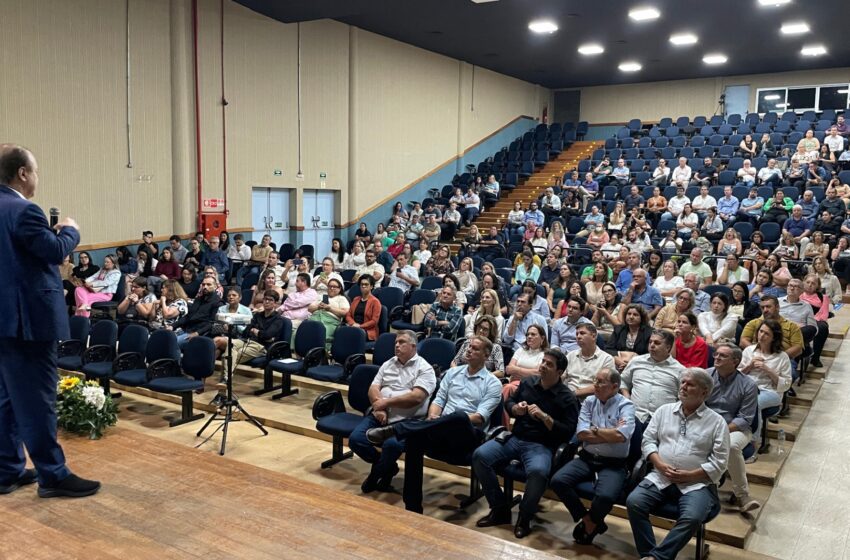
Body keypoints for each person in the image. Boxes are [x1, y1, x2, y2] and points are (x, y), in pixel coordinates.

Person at [0, 144, 101, 498]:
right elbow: (54, 251)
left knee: (6, 398)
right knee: (36, 400)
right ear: (22, 173)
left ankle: (6, 469)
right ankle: (53, 474)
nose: (37, 178)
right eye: (36, 171)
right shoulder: (23, 209)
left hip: (3, 322)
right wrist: (69, 231)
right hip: (27, 323)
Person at [365, 336, 502, 513]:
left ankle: (398, 429)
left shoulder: (493, 383)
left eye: (475, 348)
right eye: (468, 347)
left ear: (486, 355)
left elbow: (479, 417)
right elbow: (438, 401)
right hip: (440, 429)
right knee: (415, 440)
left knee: (459, 417)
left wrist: (443, 420)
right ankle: (413, 506)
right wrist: (432, 417)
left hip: (469, 436)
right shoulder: (452, 373)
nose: (468, 350)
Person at [474, 348, 579, 538]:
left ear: (560, 372)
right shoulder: (528, 383)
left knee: (538, 472)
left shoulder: (567, 397)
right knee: (480, 456)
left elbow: (568, 433)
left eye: (549, 364)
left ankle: (524, 517)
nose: (543, 366)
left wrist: (546, 417)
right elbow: (509, 402)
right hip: (515, 438)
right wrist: (515, 408)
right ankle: (499, 509)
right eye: (543, 362)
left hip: (542, 446)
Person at [626, 368, 730, 560]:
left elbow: (720, 462)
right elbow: (648, 441)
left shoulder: (716, 422)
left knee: (692, 517)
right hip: (660, 476)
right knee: (634, 502)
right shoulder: (664, 411)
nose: (683, 386)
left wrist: (689, 475)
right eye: (683, 382)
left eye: (690, 384)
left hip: (696, 483)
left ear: (704, 392)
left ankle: (657, 557)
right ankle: (651, 555)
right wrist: (659, 464)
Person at [551, 368, 635, 544]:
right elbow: (581, 434)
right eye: (594, 380)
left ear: (614, 387)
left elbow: (621, 436)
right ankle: (589, 521)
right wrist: (609, 434)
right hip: (586, 458)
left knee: (605, 496)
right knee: (558, 481)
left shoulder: (626, 406)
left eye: (600, 382)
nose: (595, 385)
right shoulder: (589, 401)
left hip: (614, 464)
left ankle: (592, 521)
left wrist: (595, 430)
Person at [348, 330, 436, 494]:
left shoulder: (425, 369)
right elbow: (373, 388)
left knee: (391, 446)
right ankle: (388, 468)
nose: (396, 345)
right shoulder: (388, 363)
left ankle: (375, 476)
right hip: (380, 415)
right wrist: (378, 405)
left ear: (413, 346)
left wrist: (384, 403)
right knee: (356, 440)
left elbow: (416, 397)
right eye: (396, 342)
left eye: (401, 342)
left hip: (408, 421)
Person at [705, 343, 760, 513]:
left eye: (722, 356)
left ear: (735, 361)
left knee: (730, 446)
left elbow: (745, 419)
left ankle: (742, 495)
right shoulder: (706, 376)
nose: (716, 357)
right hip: (706, 424)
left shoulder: (748, 385)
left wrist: (721, 431)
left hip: (736, 428)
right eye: (716, 354)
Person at [620, 329, 685, 425]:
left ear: (668, 347)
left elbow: (683, 397)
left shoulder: (680, 370)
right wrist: (626, 396)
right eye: (650, 342)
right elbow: (622, 380)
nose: (652, 345)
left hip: (664, 420)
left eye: (657, 343)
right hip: (635, 415)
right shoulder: (636, 361)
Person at [740, 320, 793, 418]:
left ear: (774, 338)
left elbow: (786, 384)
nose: (762, 335)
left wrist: (767, 370)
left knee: (754, 404)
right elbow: (736, 375)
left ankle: (753, 433)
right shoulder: (748, 351)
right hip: (747, 389)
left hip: (770, 391)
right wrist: (749, 366)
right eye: (761, 331)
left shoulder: (782, 356)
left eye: (767, 334)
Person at [564, 322, 616, 400]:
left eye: (582, 333)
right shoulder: (570, 356)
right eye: (577, 334)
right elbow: (561, 377)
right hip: (568, 400)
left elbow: (603, 385)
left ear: (593, 336)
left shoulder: (607, 359)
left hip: (593, 401)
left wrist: (573, 393)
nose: (578, 336)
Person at [171, 275, 222, 348]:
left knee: (172, 343)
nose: (205, 287)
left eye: (208, 284)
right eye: (203, 284)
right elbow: (188, 317)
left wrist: (197, 333)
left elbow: (212, 324)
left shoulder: (217, 303)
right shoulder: (198, 299)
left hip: (200, 334)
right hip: (186, 329)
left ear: (215, 286)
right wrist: (172, 326)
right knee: (165, 338)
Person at [344, 275, 381, 342]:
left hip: (367, 330)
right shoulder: (356, 299)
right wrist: (353, 324)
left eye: (366, 284)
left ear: (371, 286)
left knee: (352, 335)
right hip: (354, 327)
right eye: (362, 284)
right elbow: (348, 315)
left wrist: (360, 326)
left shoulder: (375, 302)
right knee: (341, 332)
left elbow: (374, 321)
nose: (363, 286)